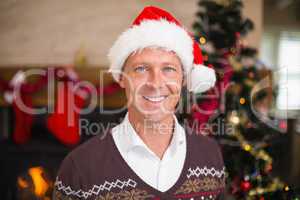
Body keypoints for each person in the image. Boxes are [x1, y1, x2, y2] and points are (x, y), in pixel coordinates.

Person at [53, 6, 225, 200]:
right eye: (142, 68)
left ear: (183, 80)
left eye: (168, 69)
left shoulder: (210, 154)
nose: (155, 83)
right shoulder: (80, 167)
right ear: (121, 78)